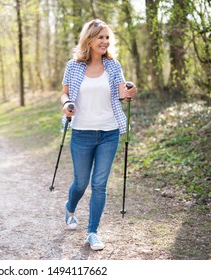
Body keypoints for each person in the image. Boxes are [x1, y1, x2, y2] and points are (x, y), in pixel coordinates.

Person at [61, 19, 138, 250]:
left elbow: (122, 95)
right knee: (81, 183)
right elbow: (64, 94)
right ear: (90, 39)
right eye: (100, 37)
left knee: (100, 184)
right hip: (82, 132)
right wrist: (67, 105)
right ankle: (70, 208)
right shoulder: (73, 66)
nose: (105, 42)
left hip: (109, 132)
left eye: (107, 38)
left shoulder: (114, 66)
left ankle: (92, 232)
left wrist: (129, 92)